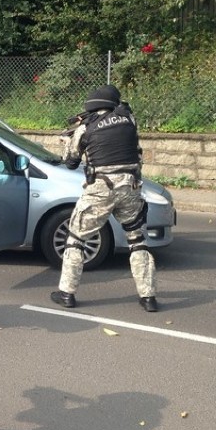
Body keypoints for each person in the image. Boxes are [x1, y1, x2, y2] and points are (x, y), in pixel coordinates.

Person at [50, 85, 159, 312]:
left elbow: (70, 162)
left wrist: (66, 141)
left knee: (76, 238)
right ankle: (148, 297)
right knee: (137, 240)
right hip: (130, 187)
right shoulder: (129, 119)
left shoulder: (85, 128)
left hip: (100, 188)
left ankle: (66, 293)